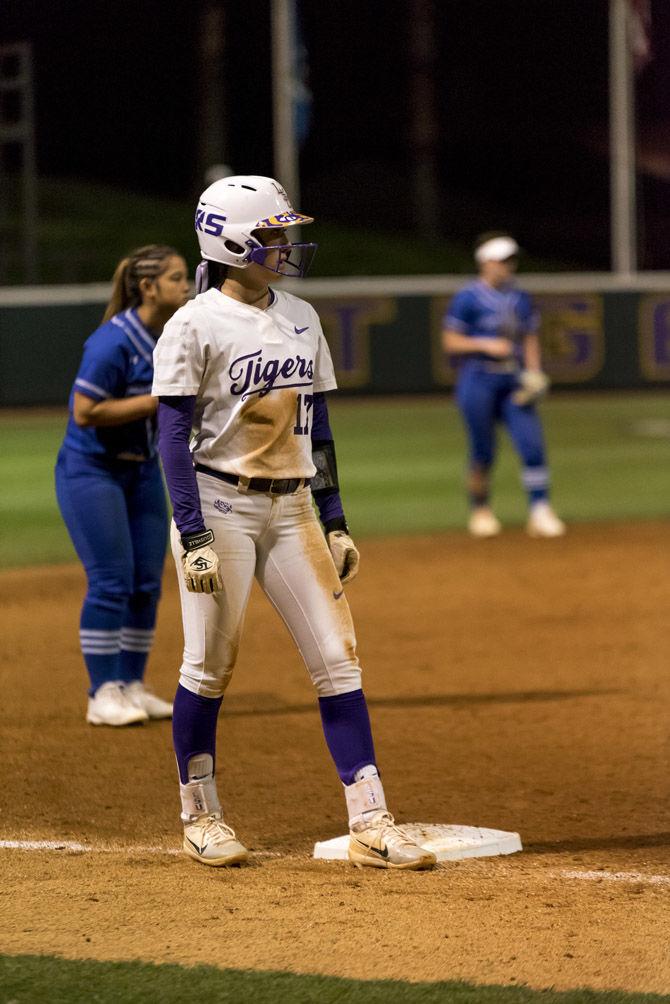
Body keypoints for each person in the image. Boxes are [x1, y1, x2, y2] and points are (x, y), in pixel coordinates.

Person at [153, 175, 436, 871]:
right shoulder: (194, 323)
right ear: (232, 241)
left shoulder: (302, 317)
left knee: (338, 661)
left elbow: (320, 426)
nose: (284, 244)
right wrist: (190, 534)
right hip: (219, 505)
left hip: (294, 504)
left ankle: (371, 819)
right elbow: (171, 436)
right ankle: (199, 813)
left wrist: (335, 518)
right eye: (272, 232)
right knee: (209, 665)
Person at [55, 245, 190, 726]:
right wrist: (157, 402)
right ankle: (102, 693)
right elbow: (85, 412)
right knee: (112, 581)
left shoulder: (174, 335)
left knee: (146, 585)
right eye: (176, 278)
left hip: (140, 472)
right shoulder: (113, 343)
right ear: (148, 287)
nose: (186, 285)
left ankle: (131, 684)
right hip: (93, 472)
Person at [441, 232, 566, 538]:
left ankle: (540, 510)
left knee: (532, 444)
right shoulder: (468, 297)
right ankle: (480, 509)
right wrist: (484, 343)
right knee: (483, 451)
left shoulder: (519, 297)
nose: (509, 265)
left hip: (512, 380)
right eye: (503, 259)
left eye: (511, 259)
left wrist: (534, 372)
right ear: (486, 262)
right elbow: (450, 341)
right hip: (478, 378)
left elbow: (530, 335)